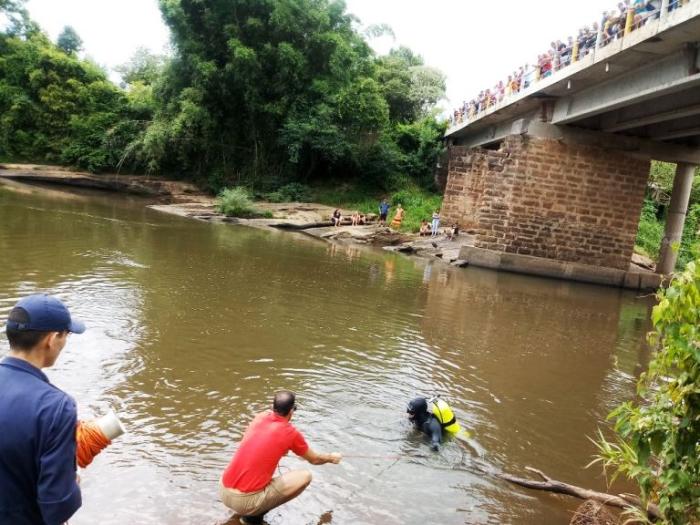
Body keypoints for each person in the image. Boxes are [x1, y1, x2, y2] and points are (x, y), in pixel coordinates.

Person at [0, 294, 87, 525]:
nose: (65, 341)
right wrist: (72, 484)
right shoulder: (56, 407)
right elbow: (57, 505)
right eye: (66, 334)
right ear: (51, 338)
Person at [219, 391, 342, 524]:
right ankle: (252, 517)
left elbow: (261, 443)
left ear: (273, 407)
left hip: (223, 489)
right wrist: (331, 458)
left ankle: (245, 513)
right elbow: (315, 459)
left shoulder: (260, 417)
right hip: (245, 501)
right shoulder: (290, 432)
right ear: (291, 411)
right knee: (305, 476)